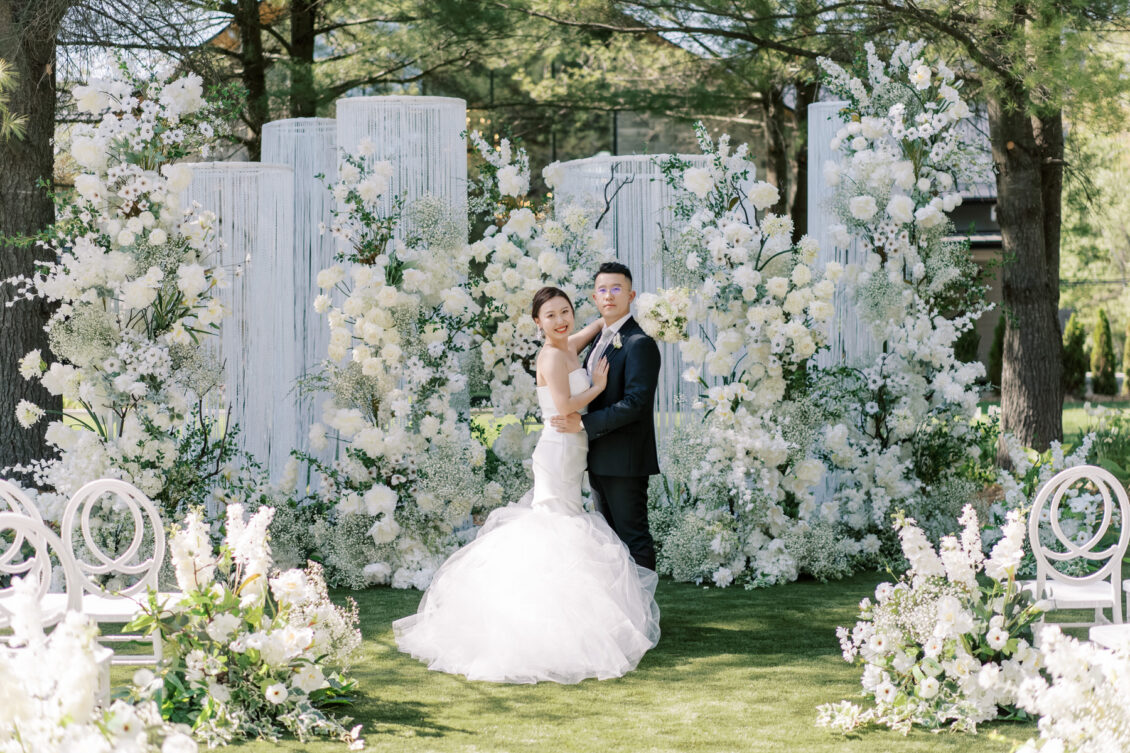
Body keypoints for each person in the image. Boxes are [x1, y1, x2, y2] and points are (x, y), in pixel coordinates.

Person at [393, 286, 660, 684]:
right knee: (555, 526)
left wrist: (610, 318)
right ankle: (542, 626)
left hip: (573, 449)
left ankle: (569, 619)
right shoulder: (551, 355)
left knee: (564, 523)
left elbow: (594, 329)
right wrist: (599, 387)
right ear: (538, 322)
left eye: (565, 311)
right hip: (559, 450)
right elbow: (565, 406)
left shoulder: (569, 344)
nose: (560, 320)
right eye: (550, 315)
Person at [549, 262, 661, 572]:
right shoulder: (600, 338)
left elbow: (636, 403)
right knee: (611, 542)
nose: (609, 295)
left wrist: (583, 423)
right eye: (602, 290)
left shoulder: (640, 343)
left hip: (625, 459)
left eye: (616, 289)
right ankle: (622, 601)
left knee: (633, 538)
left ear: (631, 296)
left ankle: (643, 604)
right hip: (598, 455)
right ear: (595, 298)